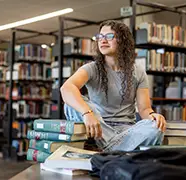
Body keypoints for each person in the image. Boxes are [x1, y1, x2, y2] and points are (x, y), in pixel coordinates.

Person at [60, 20, 166, 152]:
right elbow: (66, 88)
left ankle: (109, 149)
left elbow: (144, 109)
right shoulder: (92, 68)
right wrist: (87, 113)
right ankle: (120, 149)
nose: (103, 40)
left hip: (127, 130)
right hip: (99, 127)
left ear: (122, 41)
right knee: (71, 103)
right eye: (100, 37)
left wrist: (153, 116)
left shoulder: (138, 71)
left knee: (154, 126)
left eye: (109, 36)